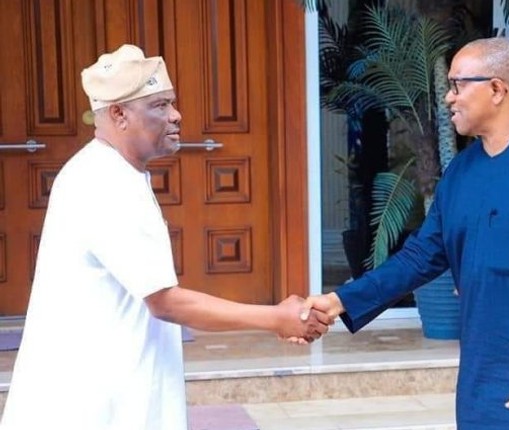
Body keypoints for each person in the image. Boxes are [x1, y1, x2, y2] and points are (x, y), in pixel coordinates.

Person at [0, 44, 330, 430]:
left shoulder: (108, 172)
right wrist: (275, 318)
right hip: (93, 406)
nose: (176, 116)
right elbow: (165, 302)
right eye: (158, 106)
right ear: (119, 114)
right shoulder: (105, 184)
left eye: (171, 103)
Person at [301, 37, 509, 429]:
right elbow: (421, 256)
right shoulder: (461, 173)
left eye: (458, 85)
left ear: (497, 89)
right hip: (482, 387)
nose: (449, 98)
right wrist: (341, 300)